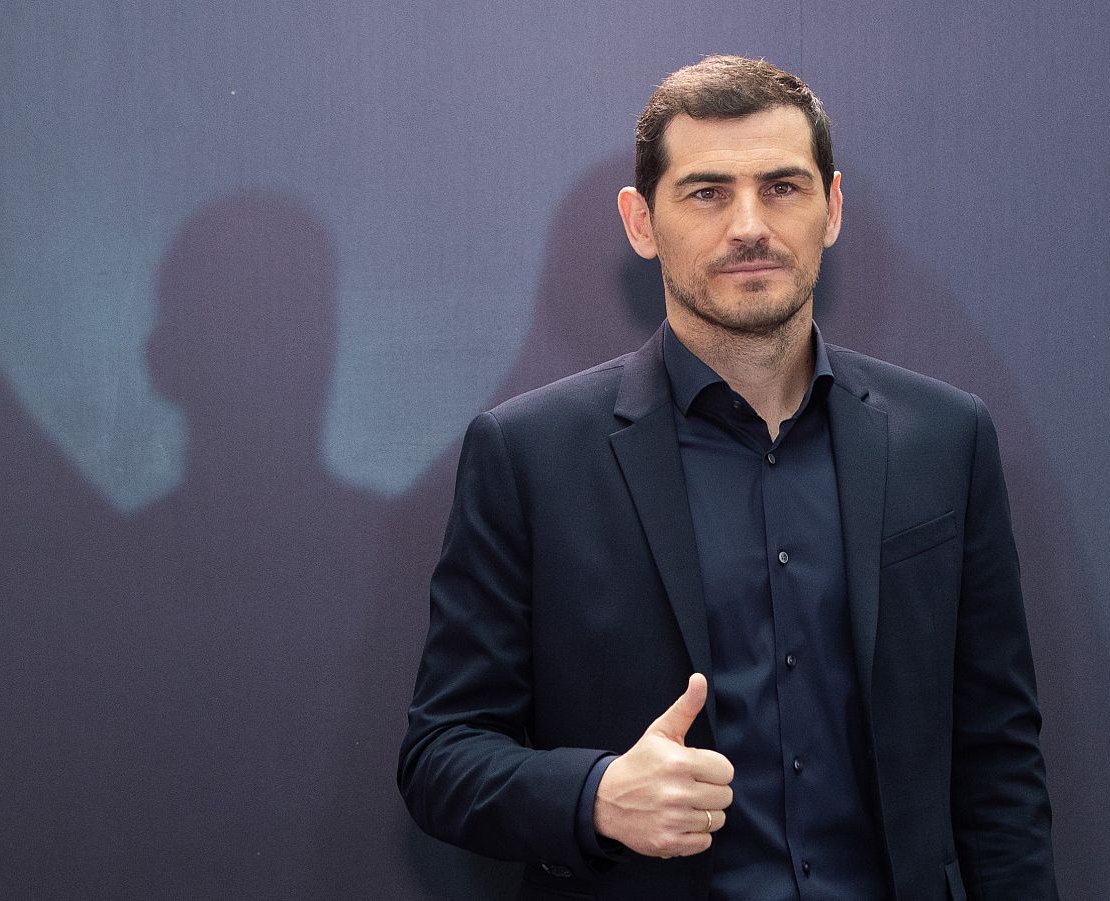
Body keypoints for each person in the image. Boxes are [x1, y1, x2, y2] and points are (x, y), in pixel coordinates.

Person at [399, 55, 1057, 901]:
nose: (750, 225)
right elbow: (442, 753)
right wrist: (597, 795)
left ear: (833, 209)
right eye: (707, 192)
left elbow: (998, 758)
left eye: (783, 187)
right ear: (641, 222)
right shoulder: (528, 453)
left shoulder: (944, 437)